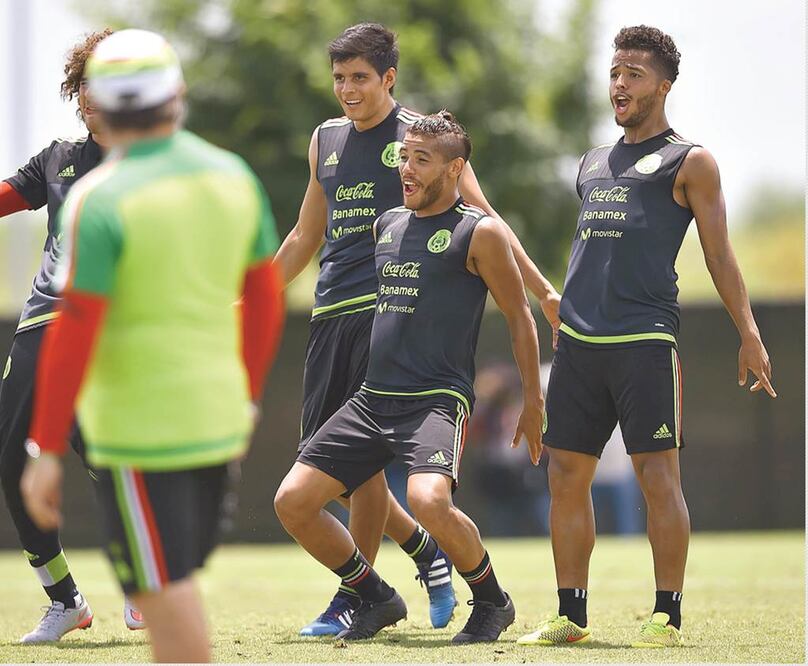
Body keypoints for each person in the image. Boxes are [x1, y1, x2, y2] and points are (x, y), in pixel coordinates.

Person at [274, 21, 560, 636]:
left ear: (389, 78)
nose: (347, 90)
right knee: (333, 484)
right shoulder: (329, 146)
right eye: (339, 78)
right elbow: (304, 235)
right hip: (336, 320)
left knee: (394, 487)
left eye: (359, 78)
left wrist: (542, 291)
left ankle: (382, 593)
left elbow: (486, 220)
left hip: (408, 344)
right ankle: (400, 572)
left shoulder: (425, 142)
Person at [19, 29, 284, 663]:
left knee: (164, 597)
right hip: (217, 424)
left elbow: (74, 328)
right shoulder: (232, 175)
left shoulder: (99, 198)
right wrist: (246, 397)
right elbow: (267, 300)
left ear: (100, 105)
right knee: (172, 582)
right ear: (178, 94)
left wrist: (47, 448)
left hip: (139, 433)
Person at [516, 25, 776, 649]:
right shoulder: (592, 162)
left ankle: (667, 615)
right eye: (614, 72)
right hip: (578, 344)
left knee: (657, 478)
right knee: (565, 477)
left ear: (663, 85)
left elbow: (720, 254)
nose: (619, 84)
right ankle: (570, 615)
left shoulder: (692, 161)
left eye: (633, 73)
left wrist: (749, 332)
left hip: (644, 344)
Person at [0, 29, 150, 641]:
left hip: (113, 332)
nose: (92, 94)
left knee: (109, 456)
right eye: (85, 81)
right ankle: (64, 599)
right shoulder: (59, 157)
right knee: (11, 459)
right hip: (42, 328)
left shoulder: (152, 163)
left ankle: (142, 583)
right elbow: (7, 198)